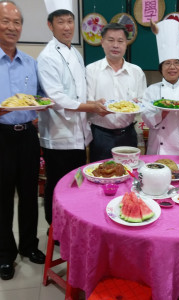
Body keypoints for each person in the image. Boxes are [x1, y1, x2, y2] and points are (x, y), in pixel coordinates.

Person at [37, 0, 106, 225]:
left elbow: (79, 92)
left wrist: (93, 104)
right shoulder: (47, 56)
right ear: (50, 25)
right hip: (59, 135)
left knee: (75, 183)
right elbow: (56, 98)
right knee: (57, 184)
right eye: (61, 22)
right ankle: (54, 230)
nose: (67, 27)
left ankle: (70, 226)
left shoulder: (75, 52)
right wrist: (90, 106)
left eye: (70, 21)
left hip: (78, 134)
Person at [0, 1, 45, 281]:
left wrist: (42, 105)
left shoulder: (31, 62)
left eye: (17, 22)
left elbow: (39, 96)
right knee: (3, 198)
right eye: (6, 21)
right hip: (1, 136)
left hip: (27, 134)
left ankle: (29, 246)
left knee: (29, 194)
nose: (12, 27)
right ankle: (5, 255)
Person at [86, 23, 147, 161]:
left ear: (126, 44)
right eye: (110, 40)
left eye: (120, 41)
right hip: (100, 134)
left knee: (129, 173)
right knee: (101, 174)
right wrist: (95, 106)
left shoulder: (136, 72)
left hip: (128, 133)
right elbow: (86, 101)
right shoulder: (91, 70)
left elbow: (143, 101)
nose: (115, 45)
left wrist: (139, 103)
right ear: (102, 42)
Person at [142, 19, 179, 155]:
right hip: (158, 147)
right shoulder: (152, 90)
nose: (172, 67)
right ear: (161, 68)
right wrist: (162, 113)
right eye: (167, 63)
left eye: (176, 63)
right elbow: (147, 118)